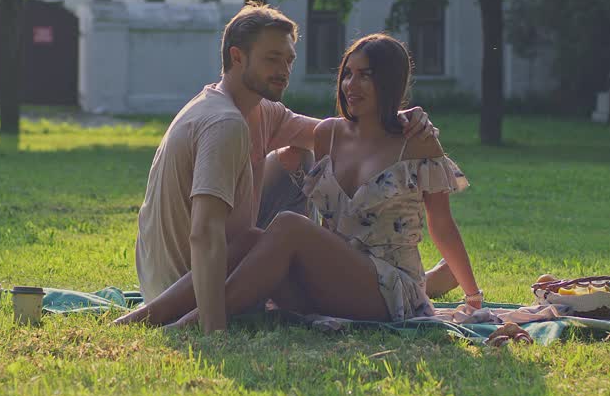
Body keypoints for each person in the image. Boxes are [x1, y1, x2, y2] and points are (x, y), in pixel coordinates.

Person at [116, 4, 438, 332]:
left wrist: (398, 119)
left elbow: (343, 136)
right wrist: (213, 329)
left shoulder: (260, 111)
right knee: (286, 228)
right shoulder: (224, 122)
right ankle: (187, 321)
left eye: (289, 60)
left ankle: (136, 319)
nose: (284, 70)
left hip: (180, 279)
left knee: (290, 173)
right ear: (237, 57)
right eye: (272, 59)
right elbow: (204, 232)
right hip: (195, 282)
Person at [165, 33, 481, 327]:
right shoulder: (326, 134)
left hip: (390, 292)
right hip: (328, 285)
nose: (351, 85)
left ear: (390, 81)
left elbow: (441, 224)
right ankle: (144, 316)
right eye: (347, 73)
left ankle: (194, 323)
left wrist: (473, 297)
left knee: (289, 224)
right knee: (250, 238)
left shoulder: (416, 141)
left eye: (365, 75)